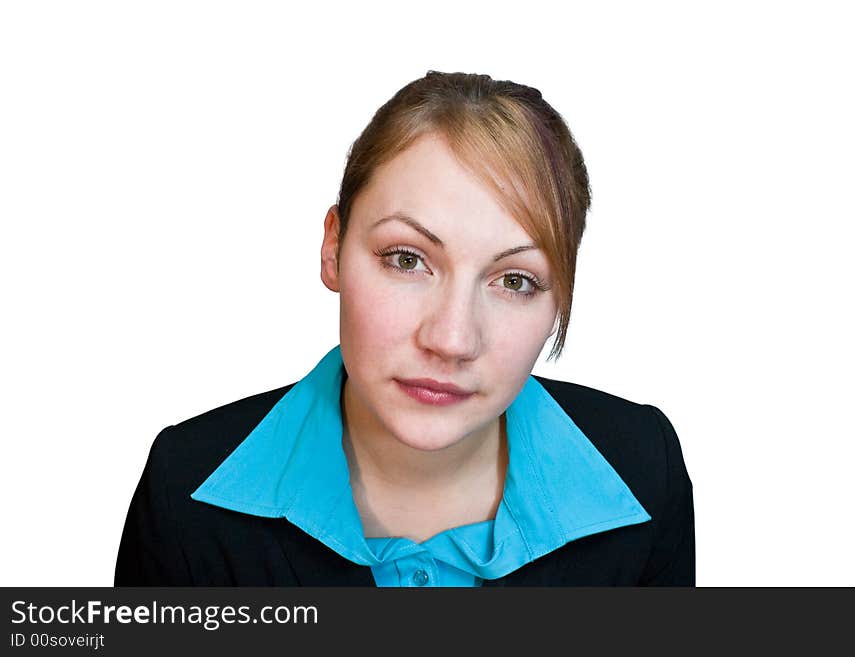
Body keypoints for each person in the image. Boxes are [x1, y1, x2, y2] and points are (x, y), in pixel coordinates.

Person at [114, 70, 694, 586]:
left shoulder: (646, 473)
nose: (451, 340)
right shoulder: (183, 493)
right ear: (333, 248)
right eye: (406, 259)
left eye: (515, 280)